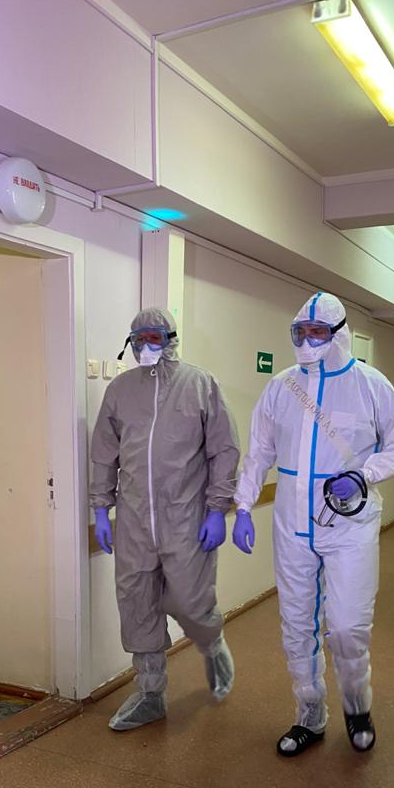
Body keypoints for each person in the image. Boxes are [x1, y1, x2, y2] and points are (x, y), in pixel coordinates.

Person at [232, 292, 394, 756]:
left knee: (347, 626)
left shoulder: (370, 384)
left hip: (349, 525)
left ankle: (357, 707)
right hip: (292, 522)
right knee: (296, 625)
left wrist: (364, 474)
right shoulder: (282, 386)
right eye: (300, 332)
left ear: (339, 335)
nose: (307, 341)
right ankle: (310, 715)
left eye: (317, 333)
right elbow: (259, 451)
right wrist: (243, 506)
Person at [90, 307, 240, 731]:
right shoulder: (120, 390)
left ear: (171, 339)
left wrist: (217, 509)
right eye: (138, 339)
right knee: (136, 602)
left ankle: (211, 644)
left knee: (192, 602)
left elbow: (224, 449)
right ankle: (150, 692)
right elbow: (104, 452)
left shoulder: (200, 385)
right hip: (134, 519)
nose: (145, 346)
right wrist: (100, 509)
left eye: (154, 338)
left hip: (186, 517)